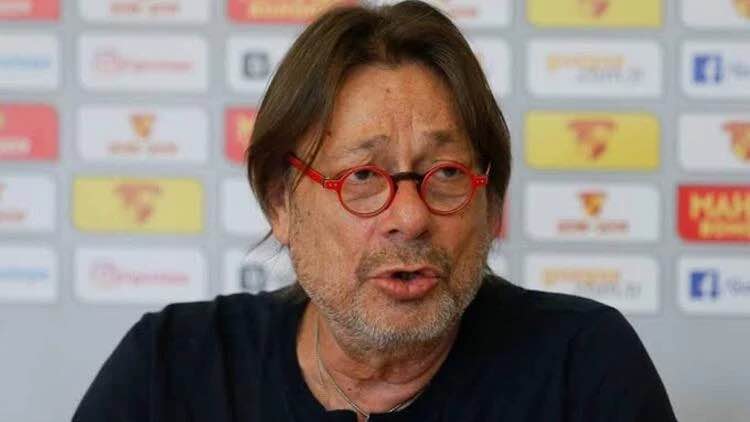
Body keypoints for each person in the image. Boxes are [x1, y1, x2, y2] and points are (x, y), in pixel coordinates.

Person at [72, 1, 678, 421]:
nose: (410, 217)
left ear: (490, 200)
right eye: (363, 176)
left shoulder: (583, 368)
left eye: (446, 174)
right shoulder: (171, 369)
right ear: (281, 202)